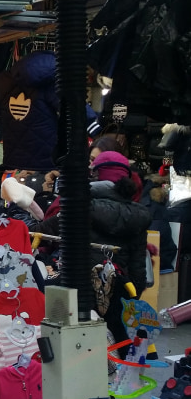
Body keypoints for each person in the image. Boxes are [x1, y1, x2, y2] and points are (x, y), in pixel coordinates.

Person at [33, 150, 152, 353]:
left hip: (77, 288)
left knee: (79, 350)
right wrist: (133, 293)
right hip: (120, 287)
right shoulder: (139, 214)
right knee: (119, 343)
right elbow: (138, 262)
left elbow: (41, 233)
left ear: (96, 175)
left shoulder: (77, 208)